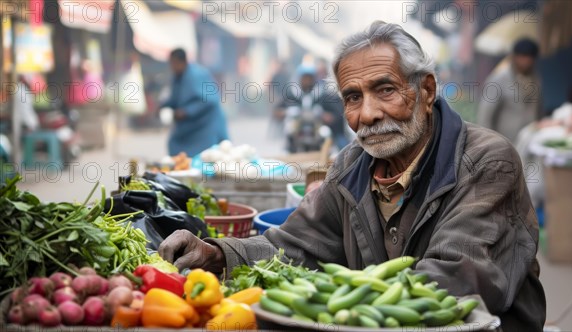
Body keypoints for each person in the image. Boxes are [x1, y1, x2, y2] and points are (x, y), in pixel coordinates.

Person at [158, 22, 546, 331]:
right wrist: (218, 254)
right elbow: (297, 245)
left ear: (426, 91)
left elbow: (455, 281)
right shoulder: (353, 165)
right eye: (353, 97)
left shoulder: (487, 161)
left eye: (385, 90)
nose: (368, 114)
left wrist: (335, 305)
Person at [161, 48, 229, 156]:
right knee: (174, 144)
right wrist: (163, 106)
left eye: (174, 63)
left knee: (209, 154)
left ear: (182, 62)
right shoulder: (177, 77)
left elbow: (211, 100)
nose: (172, 67)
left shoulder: (197, 74)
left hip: (206, 122)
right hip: (189, 125)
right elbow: (175, 98)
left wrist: (187, 111)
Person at [477, 38, 542, 144]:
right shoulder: (498, 79)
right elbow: (486, 115)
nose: (526, 62)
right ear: (514, 57)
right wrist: (488, 144)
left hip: (528, 142)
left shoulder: (536, 79)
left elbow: (539, 110)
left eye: (530, 58)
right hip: (504, 143)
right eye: (523, 57)